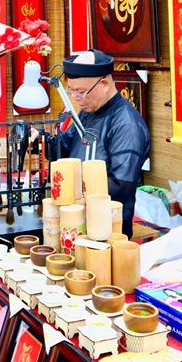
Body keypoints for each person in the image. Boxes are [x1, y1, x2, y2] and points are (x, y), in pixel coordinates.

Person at [57, 49, 150, 238]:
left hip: (107, 228)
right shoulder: (89, 110)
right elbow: (66, 147)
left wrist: (73, 188)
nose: (76, 99)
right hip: (77, 218)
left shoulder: (126, 124)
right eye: (72, 92)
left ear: (104, 84)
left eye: (81, 92)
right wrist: (41, 139)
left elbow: (120, 185)